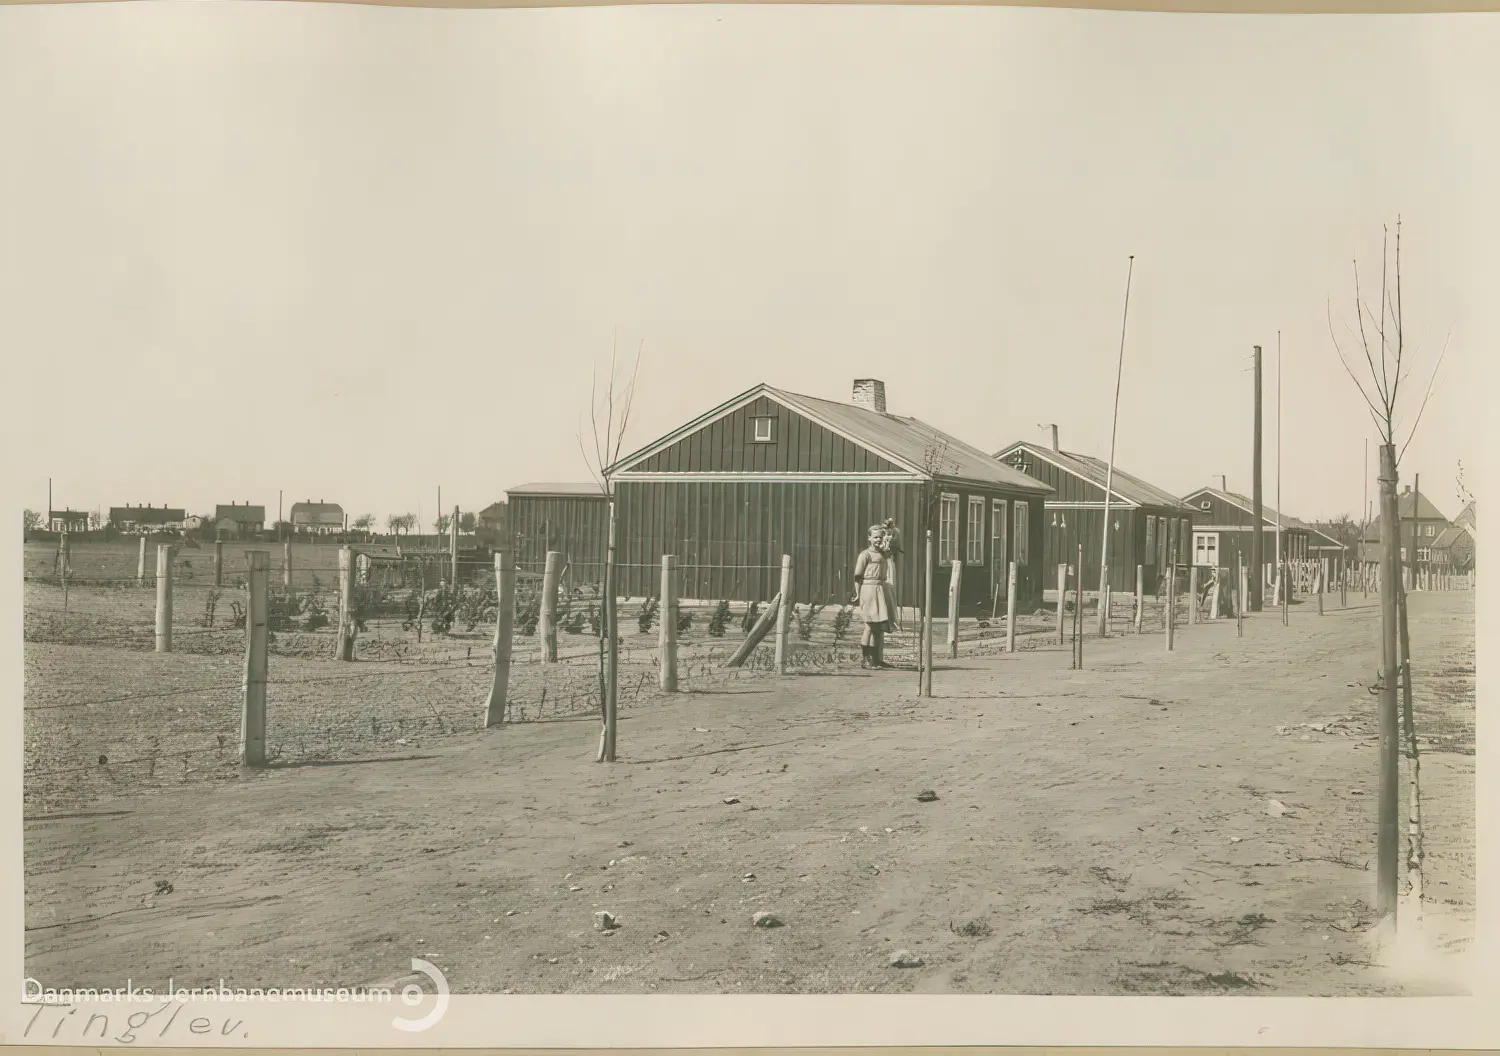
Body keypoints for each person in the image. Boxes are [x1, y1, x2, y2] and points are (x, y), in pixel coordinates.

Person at [853, 524, 897, 669]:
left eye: (880, 537)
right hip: (869, 590)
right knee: (870, 625)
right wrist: (858, 594)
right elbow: (858, 577)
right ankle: (866, 660)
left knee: (879, 627)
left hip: (881, 589)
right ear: (869, 538)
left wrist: (890, 533)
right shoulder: (865, 555)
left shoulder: (884, 554)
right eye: (875, 537)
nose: (878, 540)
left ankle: (876, 659)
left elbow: (894, 545)